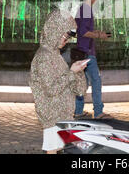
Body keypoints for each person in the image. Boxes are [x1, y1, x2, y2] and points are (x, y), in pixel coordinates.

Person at [29, 9, 88, 154]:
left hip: (62, 115)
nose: (65, 40)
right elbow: (51, 90)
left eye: (68, 37)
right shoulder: (44, 57)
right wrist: (72, 72)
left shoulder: (55, 55)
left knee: (63, 149)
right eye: (65, 35)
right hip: (53, 117)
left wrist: (78, 73)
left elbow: (78, 90)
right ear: (54, 30)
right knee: (53, 150)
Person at [74, 0, 112, 120]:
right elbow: (83, 32)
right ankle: (98, 112)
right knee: (96, 81)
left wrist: (99, 33)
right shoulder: (86, 10)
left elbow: (79, 30)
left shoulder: (82, 9)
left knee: (81, 83)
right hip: (87, 52)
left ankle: (78, 111)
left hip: (82, 50)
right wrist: (99, 36)